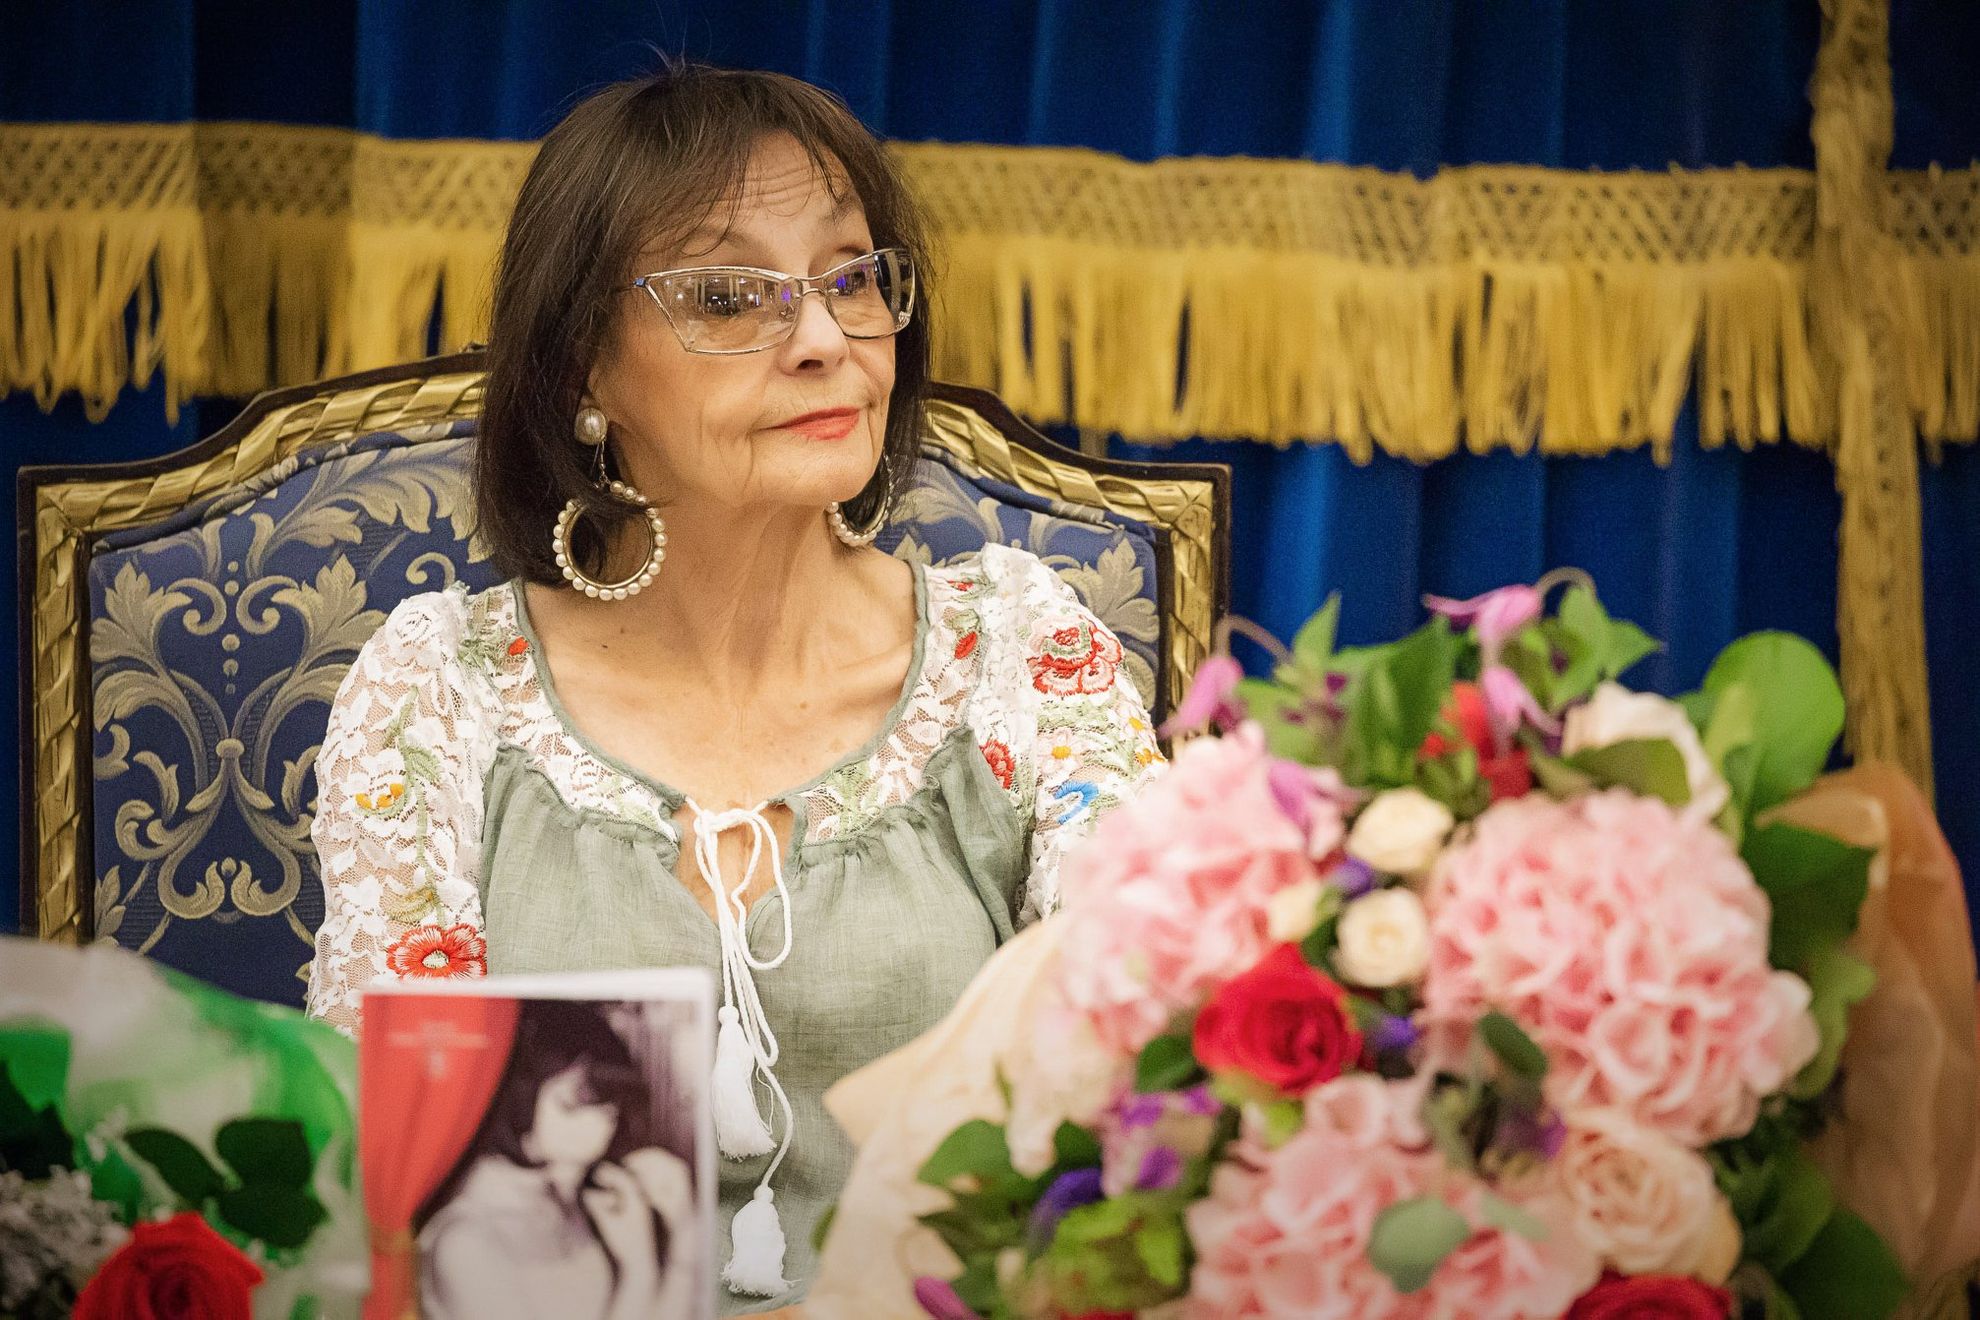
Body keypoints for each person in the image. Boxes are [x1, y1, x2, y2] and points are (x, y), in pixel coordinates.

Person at [305, 61, 1161, 1314]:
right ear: (584, 367)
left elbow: (1146, 1100)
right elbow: (396, 1185)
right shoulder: (441, 691)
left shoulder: (1020, 654)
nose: (824, 341)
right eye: (726, 295)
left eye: (852, 278)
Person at [417, 1000, 700, 1320]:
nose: (602, 1124)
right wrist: (638, 1268)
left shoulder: (558, 1196)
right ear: (516, 1095)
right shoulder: (464, 1243)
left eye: (610, 1108)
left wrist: (684, 1229)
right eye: (572, 1104)